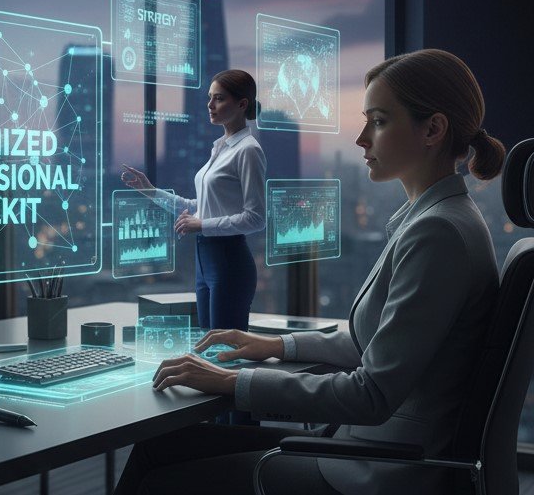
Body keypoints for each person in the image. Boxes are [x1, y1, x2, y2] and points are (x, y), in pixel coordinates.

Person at [115, 49, 506, 495]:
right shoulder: (437, 219)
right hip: (360, 446)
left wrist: (234, 380)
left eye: (378, 121)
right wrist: (274, 345)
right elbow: (370, 342)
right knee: (158, 448)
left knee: (160, 473)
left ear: (433, 129)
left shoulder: (439, 233)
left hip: (373, 469)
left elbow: (371, 394)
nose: (361, 138)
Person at [121, 69, 266, 332]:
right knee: (209, 347)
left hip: (229, 261)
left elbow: (255, 218)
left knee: (224, 352)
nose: (210, 105)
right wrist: (151, 191)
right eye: (210, 97)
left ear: (242, 104)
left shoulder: (249, 150)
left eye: (219, 99)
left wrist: (201, 225)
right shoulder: (220, 147)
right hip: (205, 263)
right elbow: (198, 207)